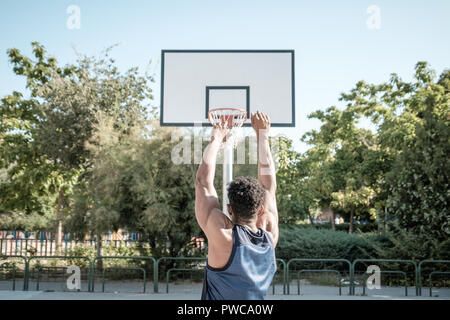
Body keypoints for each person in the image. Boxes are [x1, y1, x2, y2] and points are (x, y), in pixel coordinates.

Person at [195, 110, 279, 300]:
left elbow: (202, 182)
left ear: (229, 208)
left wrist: (216, 139)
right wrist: (263, 136)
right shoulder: (269, 237)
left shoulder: (223, 236)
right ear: (259, 209)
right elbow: (268, 187)